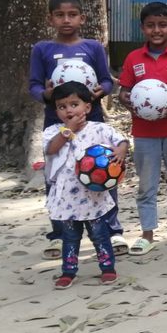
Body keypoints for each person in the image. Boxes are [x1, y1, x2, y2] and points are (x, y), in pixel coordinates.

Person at [29, 0, 126, 260]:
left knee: (103, 168)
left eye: (72, 15)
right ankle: (60, 233)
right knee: (58, 175)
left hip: (91, 120)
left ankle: (111, 229)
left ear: (82, 18)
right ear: (50, 19)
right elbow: (34, 85)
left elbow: (106, 80)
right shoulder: (42, 49)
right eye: (60, 15)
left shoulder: (93, 47)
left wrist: (100, 91)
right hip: (57, 122)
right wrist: (47, 95)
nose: (66, 20)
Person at [118, 2, 167, 255]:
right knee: (146, 185)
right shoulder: (133, 58)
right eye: (150, 25)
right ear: (142, 28)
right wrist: (128, 101)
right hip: (144, 133)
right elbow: (123, 91)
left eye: (162, 25)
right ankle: (147, 234)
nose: (156, 30)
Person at [43, 81, 129, 289]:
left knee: (99, 234)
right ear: (56, 111)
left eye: (74, 104)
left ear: (87, 107)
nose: (69, 110)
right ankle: (68, 271)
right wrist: (68, 130)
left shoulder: (99, 129)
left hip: (93, 197)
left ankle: (107, 268)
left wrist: (121, 150)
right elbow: (51, 149)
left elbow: (121, 140)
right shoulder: (53, 131)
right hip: (66, 198)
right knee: (70, 237)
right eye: (62, 107)